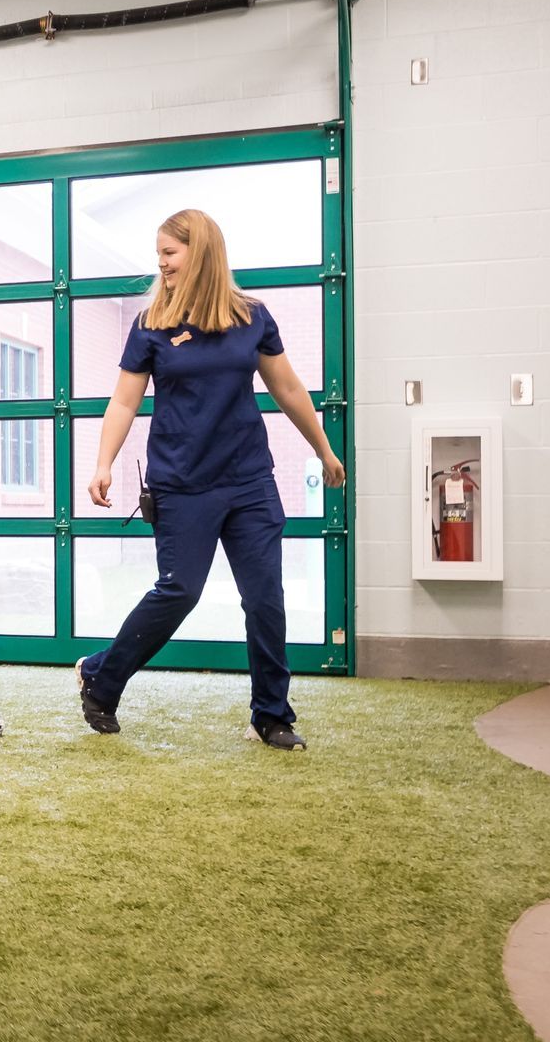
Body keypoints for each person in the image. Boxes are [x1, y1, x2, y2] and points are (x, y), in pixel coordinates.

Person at [76, 209, 345, 751]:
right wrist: (103, 462)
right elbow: (124, 399)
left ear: (200, 253)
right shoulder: (151, 321)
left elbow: (288, 389)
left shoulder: (253, 317)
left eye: (170, 253)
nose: (161, 262)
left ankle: (271, 715)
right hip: (181, 483)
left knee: (265, 597)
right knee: (180, 590)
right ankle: (101, 679)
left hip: (249, 480)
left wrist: (323, 449)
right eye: (159, 253)